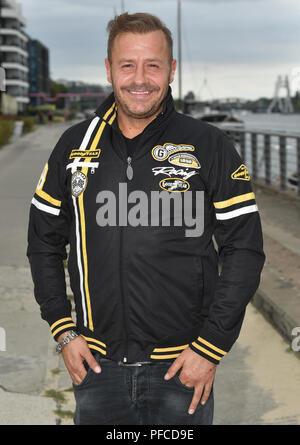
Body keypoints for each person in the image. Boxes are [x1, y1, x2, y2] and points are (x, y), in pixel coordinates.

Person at [27, 12, 265, 425]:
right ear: (108, 70)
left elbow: (244, 248)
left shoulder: (210, 145)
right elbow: (44, 242)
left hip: (182, 367)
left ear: (171, 70)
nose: (140, 78)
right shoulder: (74, 146)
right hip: (96, 367)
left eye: (153, 65)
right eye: (127, 65)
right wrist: (62, 330)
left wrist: (211, 347)